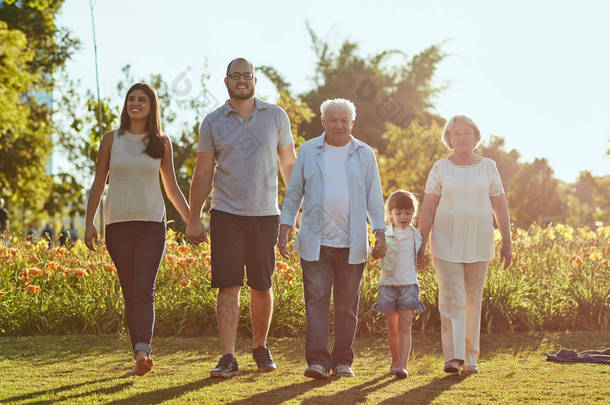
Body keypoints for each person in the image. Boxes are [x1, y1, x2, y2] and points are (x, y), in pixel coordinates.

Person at [186, 58, 296, 378]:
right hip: (226, 213)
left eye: (246, 76)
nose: (242, 81)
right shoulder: (212, 121)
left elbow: (289, 165)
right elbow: (203, 172)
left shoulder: (276, 116)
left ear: (254, 80)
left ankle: (260, 348)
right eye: (236, 76)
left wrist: (296, 210)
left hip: (266, 214)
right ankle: (228, 356)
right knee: (228, 284)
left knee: (262, 285)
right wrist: (194, 218)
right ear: (226, 82)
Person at [84, 82, 190, 376]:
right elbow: (98, 183)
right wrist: (89, 223)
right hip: (116, 225)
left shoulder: (161, 142)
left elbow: (172, 187)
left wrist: (193, 219)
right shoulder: (111, 139)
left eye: (142, 99)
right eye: (131, 98)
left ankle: (142, 353)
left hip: (150, 225)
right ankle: (139, 352)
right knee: (130, 290)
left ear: (151, 106)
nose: (136, 103)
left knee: (144, 289)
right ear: (126, 104)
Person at [278, 98, 386, 379]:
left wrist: (380, 232)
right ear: (323, 122)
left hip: (352, 244)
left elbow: (375, 196)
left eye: (344, 120)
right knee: (316, 305)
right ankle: (317, 361)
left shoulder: (364, 153)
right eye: (333, 120)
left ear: (352, 122)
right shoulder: (309, 150)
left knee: (347, 307)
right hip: (316, 242)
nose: (339, 125)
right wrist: (284, 227)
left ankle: (342, 362)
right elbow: (294, 193)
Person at [417, 115, 512, 374]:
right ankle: (454, 357)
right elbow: (428, 207)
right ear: (448, 138)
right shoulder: (440, 168)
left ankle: (471, 358)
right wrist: (421, 242)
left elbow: (500, 205)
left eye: (466, 132)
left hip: (479, 241)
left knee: (472, 299)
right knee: (451, 298)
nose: (461, 137)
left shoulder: (489, 166)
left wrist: (507, 241)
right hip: (446, 241)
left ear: (475, 136)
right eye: (455, 133)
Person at [372, 190, 426, 379]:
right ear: (390, 214)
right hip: (388, 285)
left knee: (405, 326)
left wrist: (424, 261)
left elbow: (421, 258)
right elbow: (374, 254)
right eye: (398, 213)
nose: (403, 217)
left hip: (409, 286)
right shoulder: (384, 233)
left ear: (413, 213)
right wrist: (376, 252)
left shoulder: (416, 235)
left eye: (408, 213)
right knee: (392, 328)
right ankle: (395, 361)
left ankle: (402, 365)